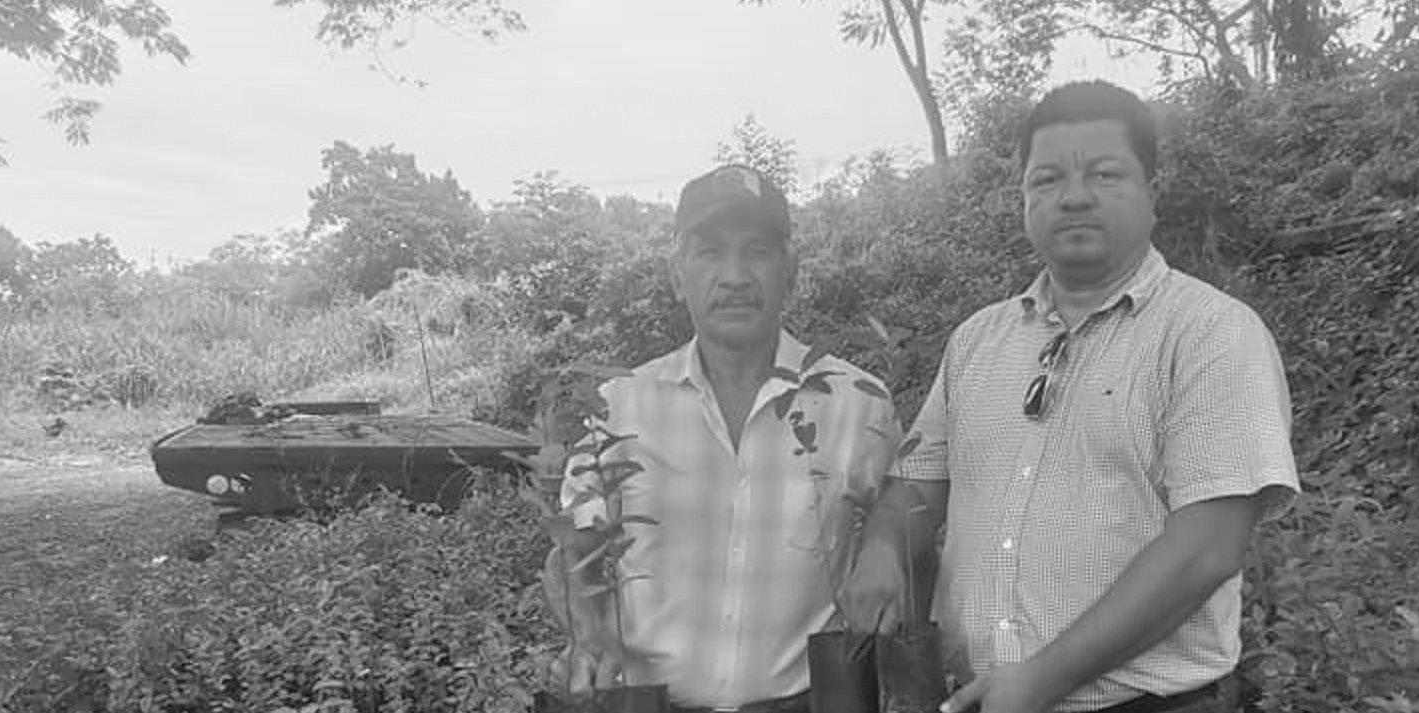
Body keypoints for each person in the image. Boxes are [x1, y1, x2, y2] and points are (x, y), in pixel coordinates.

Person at [840, 80, 1302, 713]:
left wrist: (1042, 680)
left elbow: (1207, 547)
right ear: (1024, 198)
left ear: (1152, 194)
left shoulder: (1211, 333)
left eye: (1105, 174)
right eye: (1047, 179)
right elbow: (915, 490)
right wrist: (881, 549)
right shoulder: (977, 341)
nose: (1075, 197)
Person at [542, 164, 902, 713]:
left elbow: (902, 503)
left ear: (791, 271)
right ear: (676, 274)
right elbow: (572, 550)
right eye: (709, 252)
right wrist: (589, 635)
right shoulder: (619, 407)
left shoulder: (857, 403)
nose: (734, 276)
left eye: (757, 251)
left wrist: (883, 546)